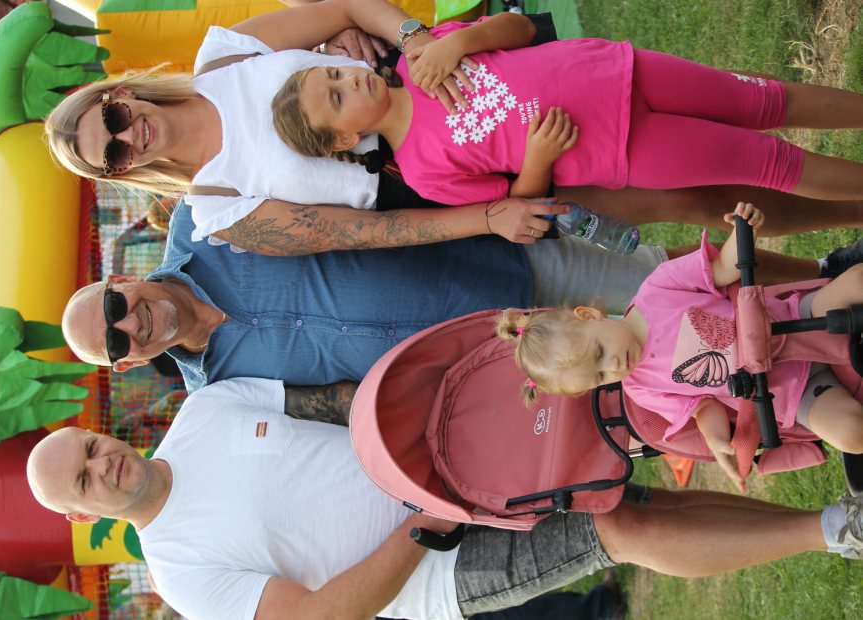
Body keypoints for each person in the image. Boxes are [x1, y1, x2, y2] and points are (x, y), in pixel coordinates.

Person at [44, 0, 862, 258]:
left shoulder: (223, 56)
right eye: (109, 155)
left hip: (446, 79)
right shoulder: (220, 208)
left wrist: (418, 41)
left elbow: (344, 7)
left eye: (110, 118)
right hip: (448, 179)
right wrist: (495, 214)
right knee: (701, 197)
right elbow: (364, 233)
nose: (126, 136)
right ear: (120, 172)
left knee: (753, 112)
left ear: (121, 94)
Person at [26, 376, 863, 619]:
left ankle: (828, 521)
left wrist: (444, 424)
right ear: (81, 515)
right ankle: (835, 531)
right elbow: (318, 617)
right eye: (86, 480)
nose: (105, 466)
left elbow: (341, 404)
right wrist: (424, 530)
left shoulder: (204, 410)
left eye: (92, 448)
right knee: (620, 533)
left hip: (456, 466)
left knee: (637, 502)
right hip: (438, 570)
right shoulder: (177, 571)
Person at [61, 198, 845, 393]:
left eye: (114, 307)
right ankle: (825, 363)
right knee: (674, 359)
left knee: (673, 281)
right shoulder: (219, 390)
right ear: (125, 364)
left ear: (117, 278)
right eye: (117, 341)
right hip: (501, 357)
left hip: (492, 263)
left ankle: (824, 279)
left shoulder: (205, 219)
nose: (132, 323)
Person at [273, 14, 863, 212]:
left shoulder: (419, 55)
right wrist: (538, 157)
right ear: (344, 139)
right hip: (623, 147)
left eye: (334, 73)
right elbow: (518, 202)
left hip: (618, 70)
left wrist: (460, 42)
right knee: (769, 163)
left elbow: (521, 29)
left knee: (765, 100)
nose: (349, 79)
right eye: (337, 98)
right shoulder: (424, 172)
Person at [497, 202, 863, 493]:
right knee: (849, 433)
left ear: (589, 315)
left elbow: (724, 269)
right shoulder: (642, 389)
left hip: (794, 317)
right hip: (790, 391)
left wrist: (743, 230)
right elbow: (702, 407)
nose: (614, 366)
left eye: (599, 354)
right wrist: (718, 441)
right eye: (600, 376)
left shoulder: (657, 288)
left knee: (855, 281)